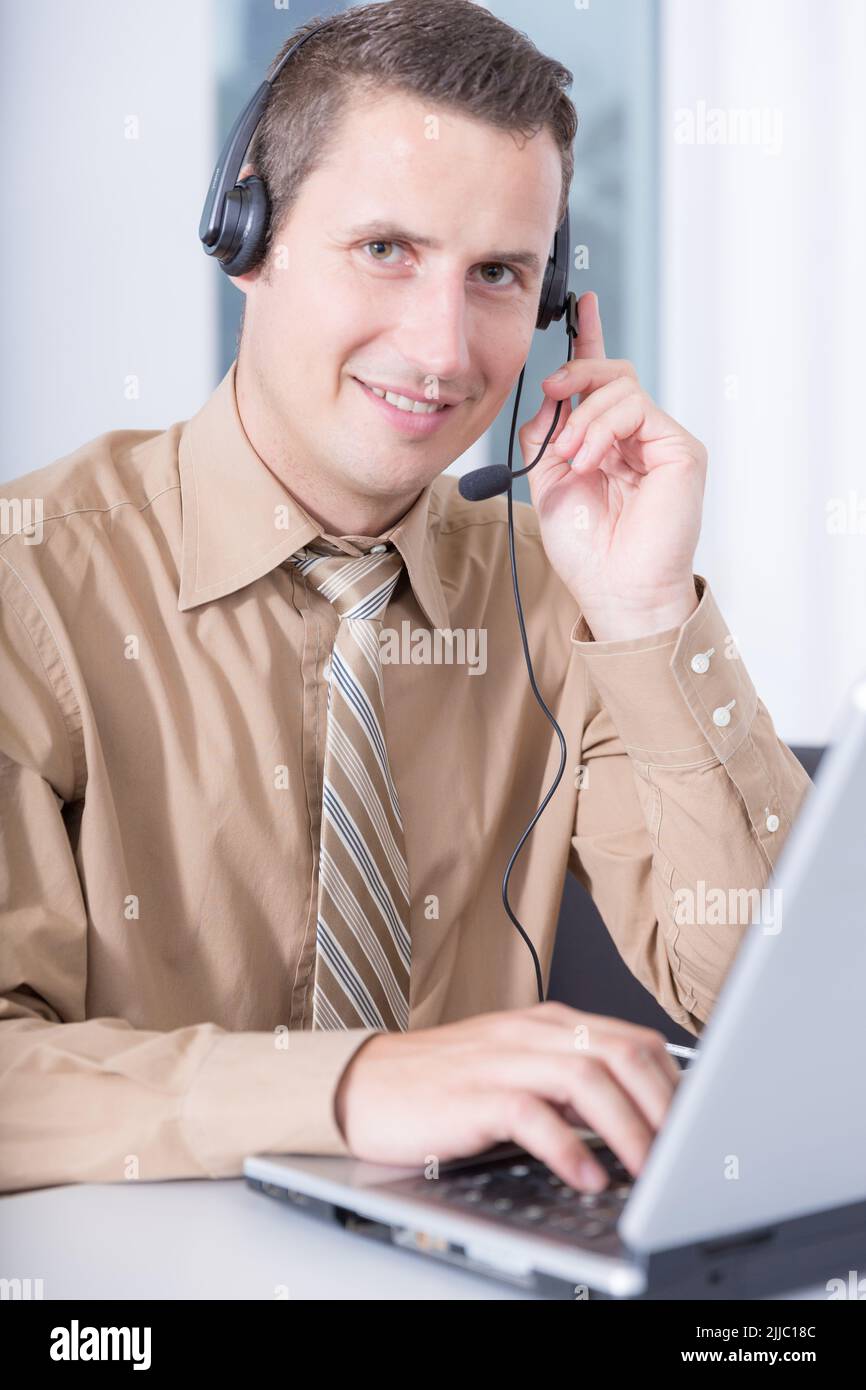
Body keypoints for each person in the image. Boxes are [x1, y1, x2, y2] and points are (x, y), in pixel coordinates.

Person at [0, 0, 811, 1198]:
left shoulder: (553, 590)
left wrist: (644, 617)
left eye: (496, 274)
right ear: (248, 239)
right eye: (385, 249)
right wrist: (349, 1085)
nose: (440, 349)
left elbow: (783, 1020)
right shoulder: (32, 586)